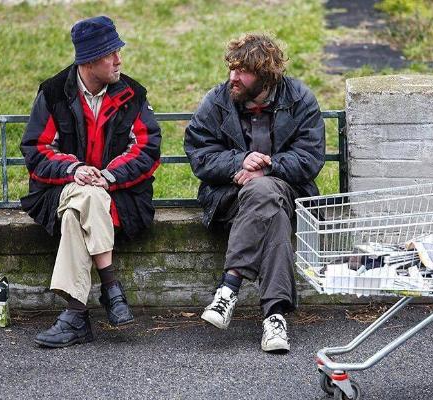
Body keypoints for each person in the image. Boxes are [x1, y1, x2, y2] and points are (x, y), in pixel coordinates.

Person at [20, 15, 161, 348]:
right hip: (59, 189)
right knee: (84, 194)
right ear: (89, 59)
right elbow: (37, 150)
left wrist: (107, 177)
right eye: (111, 52)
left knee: (77, 212)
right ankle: (110, 287)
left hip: (121, 196)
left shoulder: (132, 93)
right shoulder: (53, 93)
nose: (119, 60)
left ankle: (75, 314)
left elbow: (147, 149)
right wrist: (74, 170)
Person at [184, 33, 325, 353]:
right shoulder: (217, 101)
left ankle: (228, 288)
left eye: (242, 71)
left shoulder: (299, 98)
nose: (233, 77)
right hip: (230, 196)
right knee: (270, 210)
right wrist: (238, 161)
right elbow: (199, 153)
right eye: (231, 69)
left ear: (265, 75)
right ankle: (275, 317)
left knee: (266, 191)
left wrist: (269, 166)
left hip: (288, 191)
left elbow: (310, 157)